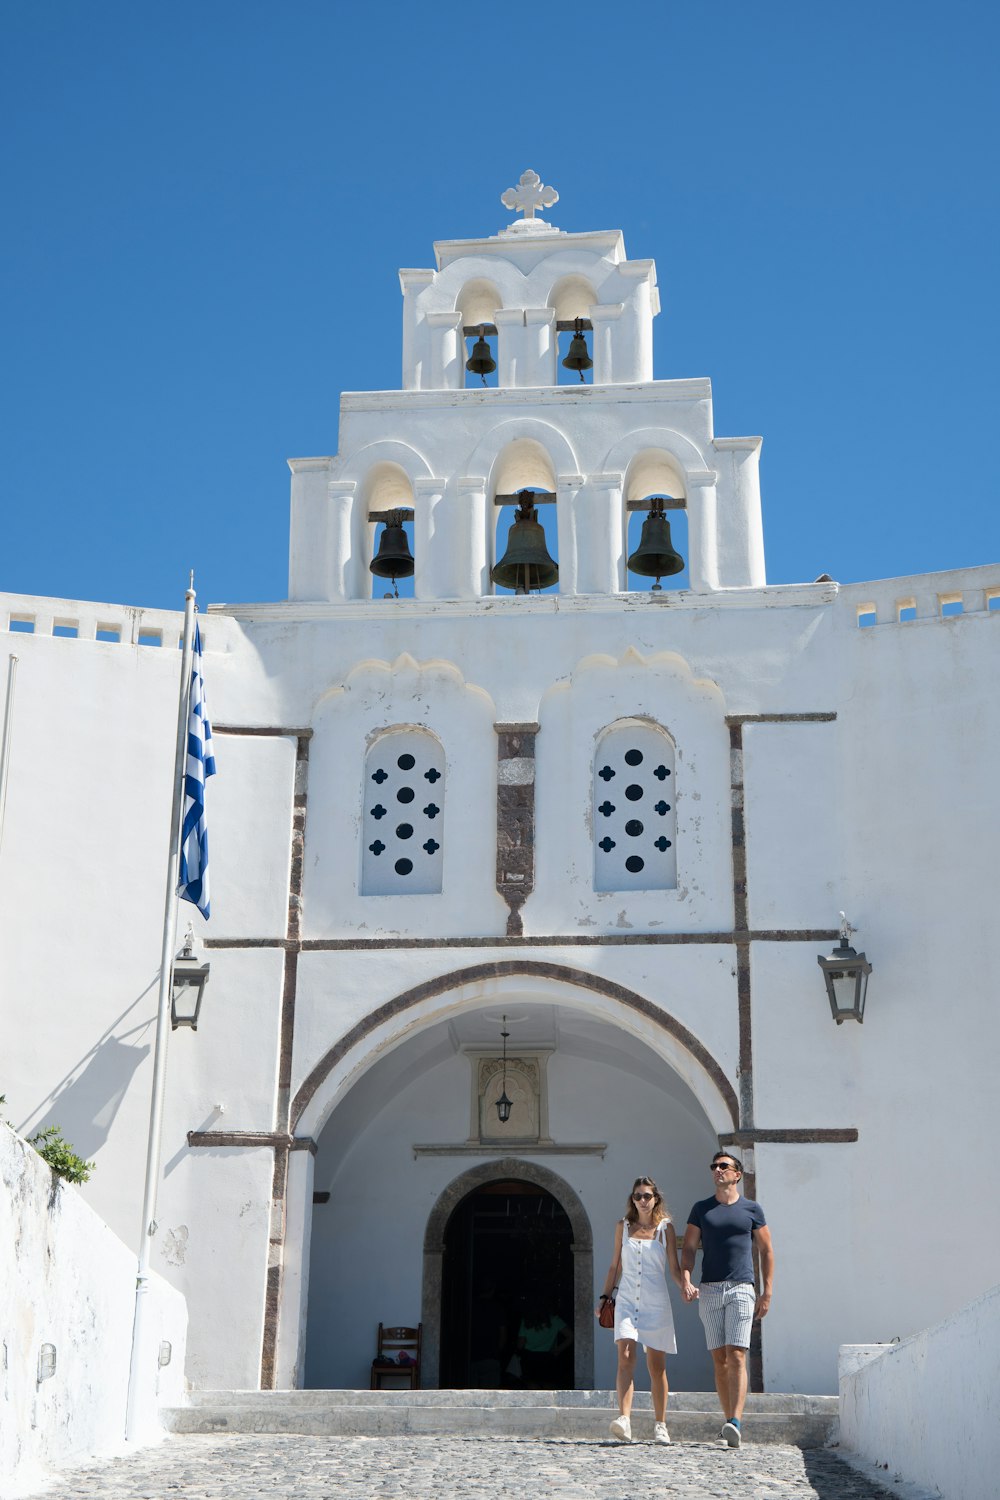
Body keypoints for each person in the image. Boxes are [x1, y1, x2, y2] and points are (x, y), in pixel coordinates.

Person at [680, 1151, 774, 1448]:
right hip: (709, 1289)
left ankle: (735, 1420)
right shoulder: (701, 1209)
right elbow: (690, 1248)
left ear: (737, 1174)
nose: (718, 1170)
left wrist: (767, 1291)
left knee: (737, 1355)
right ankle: (727, 1423)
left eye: (724, 1166)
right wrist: (685, 1278)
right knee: (719, 1360)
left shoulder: (752, 1209)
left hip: (742, 1288)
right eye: (714, 1167)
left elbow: (767, 1250)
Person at [595, 1175, 682, 1445]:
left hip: (656, 1302)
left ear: (656, 1198)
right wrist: (604, 1296)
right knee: (625, 1358)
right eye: (637, 1196)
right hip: (627, 1301)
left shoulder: (665, 1228)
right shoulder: (623, 1226)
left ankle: (660, 1424)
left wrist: (686, 1286)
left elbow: (674, 1267)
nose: (642, 1200)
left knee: (657, 1367)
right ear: (632, 1200)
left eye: (647, 1196)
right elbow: (615, 1266)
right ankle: (624, 1418)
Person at [516, 1292, 573, 1388]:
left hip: (529, 1358)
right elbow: (571, 1336)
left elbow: (520, 1343)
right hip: (547, 1357)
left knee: (532, 1387)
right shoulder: (555, 1320)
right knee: (548, 1388)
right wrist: (558, 1350)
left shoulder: (526, 1320)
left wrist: (517, 1351)